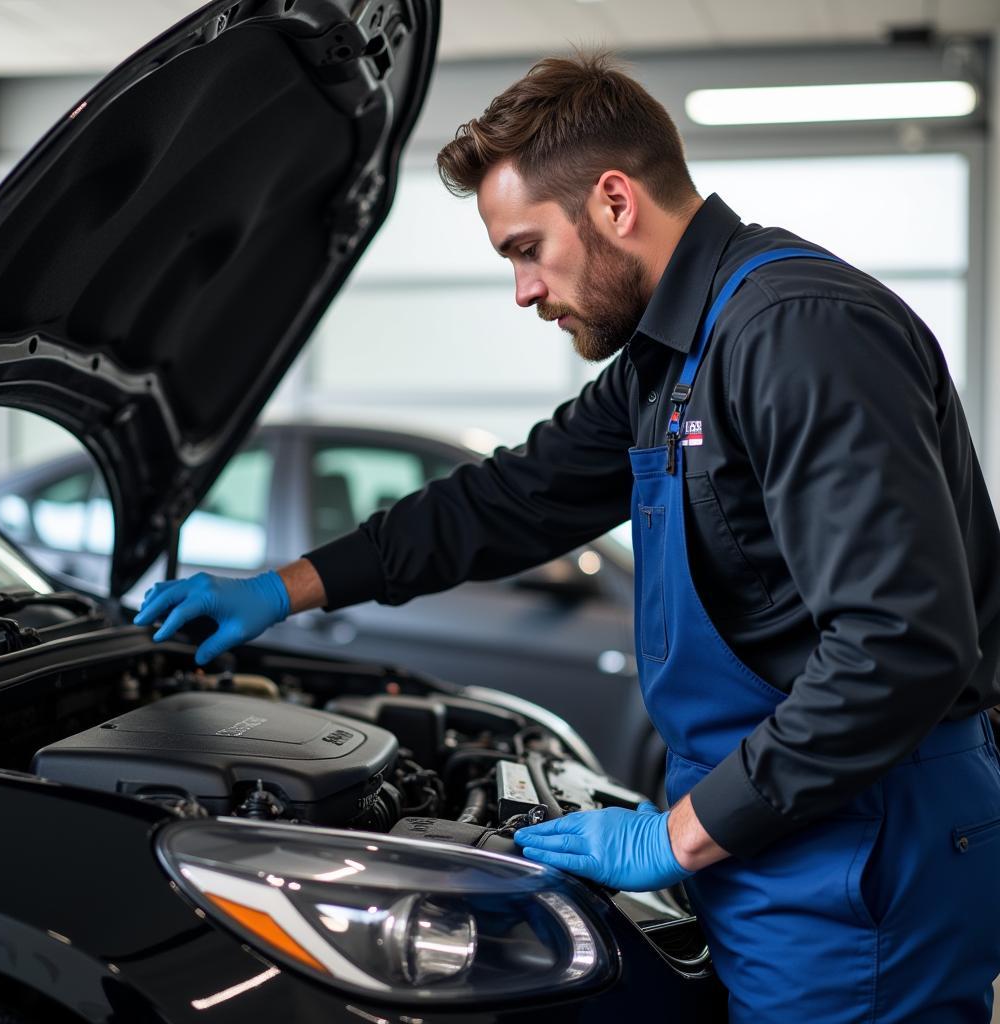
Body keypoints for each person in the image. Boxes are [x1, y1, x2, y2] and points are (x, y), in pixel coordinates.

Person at [135, 53, 1000, 1022]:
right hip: (782, 842)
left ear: (615, 202)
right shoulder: (671, 358)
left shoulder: (797, 334)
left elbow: (900, 646)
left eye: (525, 248)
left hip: (863, 848)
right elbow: (509, 498)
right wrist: (285, 585)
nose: (521, 289)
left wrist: (681, 833)